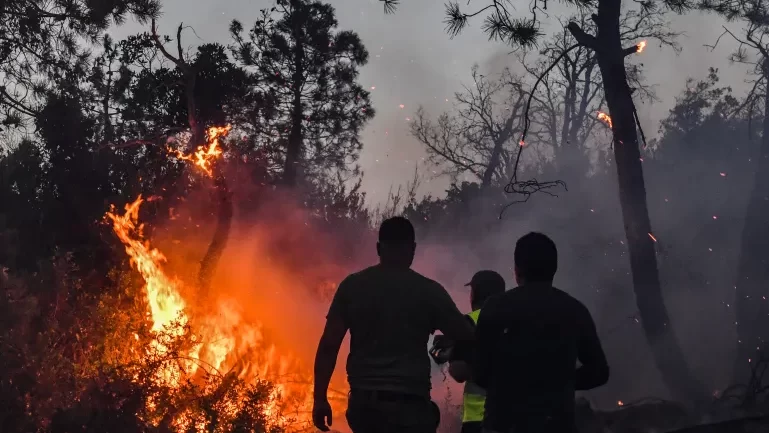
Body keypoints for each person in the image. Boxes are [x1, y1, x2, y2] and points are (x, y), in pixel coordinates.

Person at [312, 217, 475, 433]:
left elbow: (329, 345)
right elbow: (466, 335)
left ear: (379, 248)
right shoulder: (428, 291)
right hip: (410, 409)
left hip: (364, 409)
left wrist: (320, 399)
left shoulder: (352, 287)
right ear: (413, 249)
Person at [474, 232, 609, 433]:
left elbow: (480, 373)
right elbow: (599, 372)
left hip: (503, 424)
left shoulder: (495, 307)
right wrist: (561, 381)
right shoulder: (574, 309)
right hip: (556, 424)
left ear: (517, 270)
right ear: (554, 269)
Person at [447, 270, 506, 433]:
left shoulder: (469, 322)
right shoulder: (515, 321)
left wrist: (450, 356)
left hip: (477, 419)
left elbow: (459, 372)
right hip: (511, 417)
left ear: (474, 294)